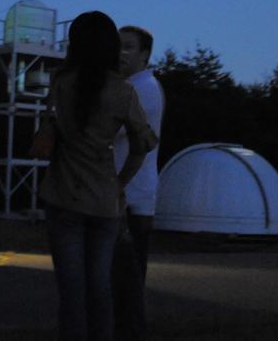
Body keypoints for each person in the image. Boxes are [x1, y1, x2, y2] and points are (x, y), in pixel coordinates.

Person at [39, 11, 156, 341]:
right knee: (100, 288)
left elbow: (49, 130)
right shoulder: (123, 92)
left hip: (64, 195)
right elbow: (142, 144)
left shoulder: (61, 82)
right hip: (105, 200)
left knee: (71, 292)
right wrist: (120, 182)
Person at [111, 25, 165, 341]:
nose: (120, 52)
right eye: (117, 45)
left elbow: (109, 128)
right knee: (122, 285)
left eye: (128, 47)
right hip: (127, 195)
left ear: (145, 55)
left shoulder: (142, 89)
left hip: (131, 198)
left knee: (126, 287)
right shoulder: (132, 86)